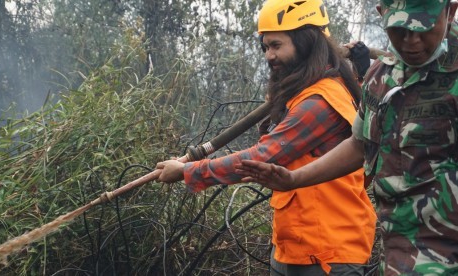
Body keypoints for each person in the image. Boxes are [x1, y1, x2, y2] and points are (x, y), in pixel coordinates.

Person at [236, 0, 458, 275]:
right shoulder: (382, 77)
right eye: (399, 28)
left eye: (423, 27)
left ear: (450, 12)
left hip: (434, 251)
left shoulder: (323, 99)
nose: (411, 40)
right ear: (381, 14)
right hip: (400, 254)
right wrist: (294, 179)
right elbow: (360, 144)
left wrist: (190, 171)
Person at [156, 0, 377, 275]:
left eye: (276, 45)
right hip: (295, 248)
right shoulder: (307, 95)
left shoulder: (320, 102)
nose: (268, 56)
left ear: (305, 42)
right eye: (265, 47)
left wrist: (187, 171)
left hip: (327, 254)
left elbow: (262, 157)